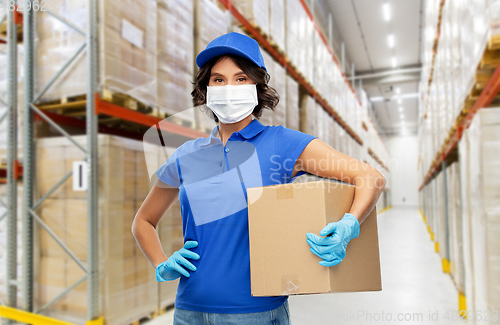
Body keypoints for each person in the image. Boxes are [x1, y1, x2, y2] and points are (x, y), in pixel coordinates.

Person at [132, 32, 386, 325]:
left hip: (255, 313)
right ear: (206, 88)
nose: (229, 87)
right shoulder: (187, 155)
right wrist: (161, 262)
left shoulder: (283, 144)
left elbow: (370, 176)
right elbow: (143, 221)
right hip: (189, 311)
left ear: (257, 86)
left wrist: (350, 223)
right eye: (218, 79)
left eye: (240, 78)